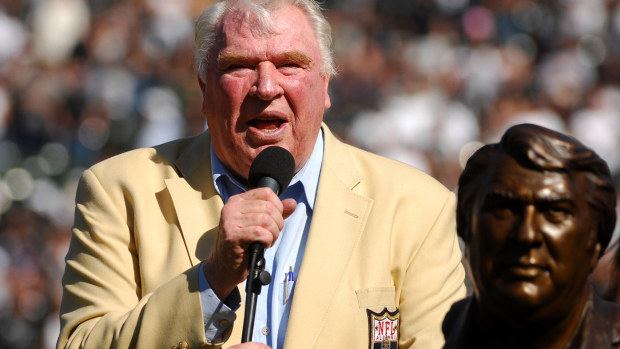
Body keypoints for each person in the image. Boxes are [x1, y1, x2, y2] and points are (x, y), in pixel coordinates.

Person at [57, 0, 466, 348]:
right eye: (239, 66)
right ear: (204, 88)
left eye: (290, 64)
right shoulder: (118, 190)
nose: (266, 86)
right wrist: (211, 279)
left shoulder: (420, 209)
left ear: (325, 85)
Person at [443, 123, 620, 348]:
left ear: (595, 240)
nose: (526, 234)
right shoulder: (448, 333)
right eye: (504, 209)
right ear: (467, 228)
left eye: (555, 212)